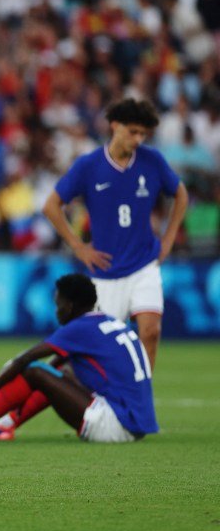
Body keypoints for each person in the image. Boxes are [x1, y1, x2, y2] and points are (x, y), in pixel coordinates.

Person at [43, 98, 188, 369]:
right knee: (98, 352)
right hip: (106, 271)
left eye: (143, 134)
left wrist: (167, 239)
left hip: (144, 263)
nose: (138, 139)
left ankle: (140, 397)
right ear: (114, 126)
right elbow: (51, 206)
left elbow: (180, 194)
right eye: (133, 131)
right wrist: (78, 247)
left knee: (150, 331)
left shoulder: (152, 161)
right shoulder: (89, 165)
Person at [0, 274, 158, 444]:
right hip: (137, 426)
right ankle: (3, 425)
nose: (56, 311)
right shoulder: (110, 321)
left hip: (115, 426)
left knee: (37, 371)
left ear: (71, 306)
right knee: (59, 368)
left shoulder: (79, 328)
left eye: (59, 305)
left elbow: (24, 360)